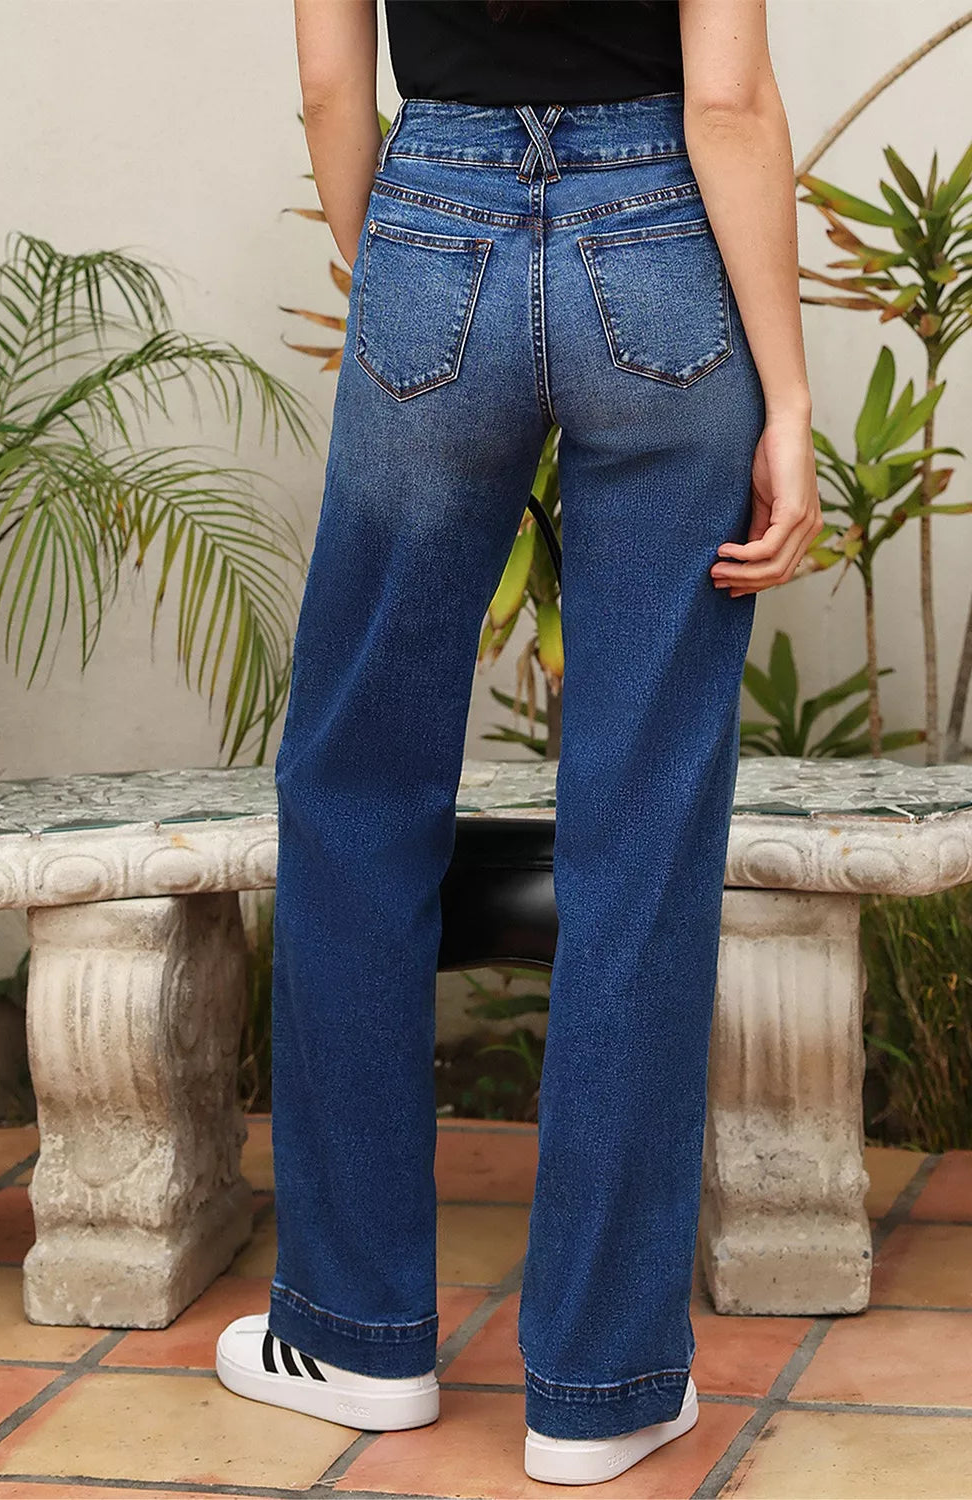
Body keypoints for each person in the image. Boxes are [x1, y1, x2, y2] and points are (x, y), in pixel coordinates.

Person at [215, 0, 823, 1486]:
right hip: (661, 241)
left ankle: (356, 1339)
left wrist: (409, 263)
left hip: (435, 218)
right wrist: (792, 398)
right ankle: (601, 1392)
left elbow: (328, 84)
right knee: (645, 820)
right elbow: (727, 100)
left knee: (355, 792)